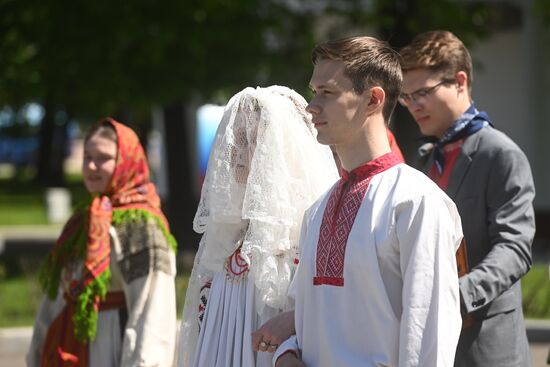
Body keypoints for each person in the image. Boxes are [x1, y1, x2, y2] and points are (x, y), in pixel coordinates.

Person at [269, 35, 464, 367]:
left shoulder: (418, 203)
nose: (311, 106)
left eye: (327, 93)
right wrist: (285, 355)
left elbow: (429, 333)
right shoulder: (317, 210)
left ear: (373, 100)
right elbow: (305, 319)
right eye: (314, 92)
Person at [398, 30, 536, 367]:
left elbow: (515, 248)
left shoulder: (500, 153)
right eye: (405, 97)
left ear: (460, 82)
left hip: (488, 347)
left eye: (423, 93)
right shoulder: (428, 158)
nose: (413, 105)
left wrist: (454, 296)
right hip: (435, 344)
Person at [176, 85, 339, 367]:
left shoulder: (307, 232)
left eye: (252, 139)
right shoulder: (227, 234)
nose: (238, 152)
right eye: (236, 139)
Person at [26, 118, 178, 367]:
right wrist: (37, 354)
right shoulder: (81, 222)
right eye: (87, 157)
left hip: (111, 349)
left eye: (103, 158)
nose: (91, 166)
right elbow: (56, 297)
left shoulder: (140, 226)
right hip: (68, 349)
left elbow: (152, 313)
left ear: (125, 162)